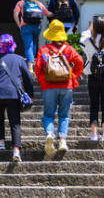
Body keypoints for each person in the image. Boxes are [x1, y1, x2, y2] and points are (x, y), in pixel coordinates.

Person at [34, 19, 84, 156]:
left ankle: (49, 133)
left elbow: (38, 69)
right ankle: (62, 140)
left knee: (48, 114)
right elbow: (80, 62)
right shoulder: (69, 49)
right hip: (66, 86)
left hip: (49, 87)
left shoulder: (44, 50)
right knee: (64, 115)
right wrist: (73, 76)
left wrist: (44, 82)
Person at [0, 34, 34, 162]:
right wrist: (30, 94)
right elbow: (28, 78)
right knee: (15, 121)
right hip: (13, 94)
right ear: (13, 45)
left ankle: (1, 143)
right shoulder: (19, 59)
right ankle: (16, 151)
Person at [80, 17, 104, 142]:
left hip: (92, 75)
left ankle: (94, 134)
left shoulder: (88, 40)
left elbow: (82, 43)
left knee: (94, 104)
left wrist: (90, 30)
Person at [13, 0, 51, 72]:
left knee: (28, 46)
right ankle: (32, 61)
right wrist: (57, 14)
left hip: (25, 26)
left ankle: (30, 67)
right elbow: (47, 13)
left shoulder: (21, 3)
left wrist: (19, 25)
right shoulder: (38, 3)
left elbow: (15, 14)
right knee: (33, 44)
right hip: (37, 26)